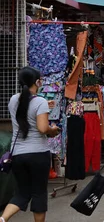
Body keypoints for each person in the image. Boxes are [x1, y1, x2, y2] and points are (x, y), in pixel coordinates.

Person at [1, 67, 60, 222]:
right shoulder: (40, 102)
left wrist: (44, 105)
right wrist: (53, 130)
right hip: (38, 154)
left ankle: (2, 218)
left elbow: (24, 109)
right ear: (37, 82)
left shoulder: (14, 99)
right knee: (39, 193)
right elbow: (42, 128)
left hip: (18, 155)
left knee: (21, 194)